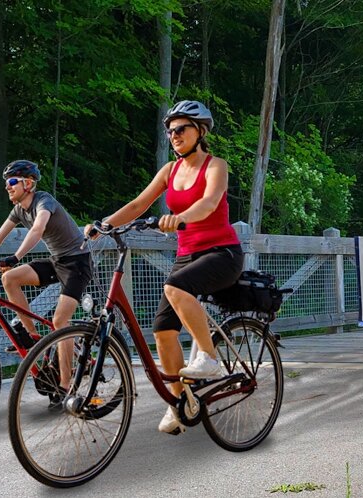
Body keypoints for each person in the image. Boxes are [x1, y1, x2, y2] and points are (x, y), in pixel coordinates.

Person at [86, 100, 244, 435]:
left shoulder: (216, 165)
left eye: (181, 129)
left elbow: (210, 202)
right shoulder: (170, 171)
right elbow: (138, 204)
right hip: (188, 255)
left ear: (200, 131)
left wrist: (180, 218)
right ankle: (180, 403)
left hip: (222, 253)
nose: (174, 136)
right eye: (170, 131)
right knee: (162, 330)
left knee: (175, 287)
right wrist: (103, 224)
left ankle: (209, 358)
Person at [0, 160, 92, 402]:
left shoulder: (43, 201)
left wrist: (16, 256)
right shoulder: (19, 209)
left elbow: (38, 229)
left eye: (11, 182)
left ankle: (65, 385)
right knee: (10, 278)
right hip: (57, 261)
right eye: (6, 183)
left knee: (60, 320)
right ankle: (31, 336)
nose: (7, 187)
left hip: (77, 263)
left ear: (28, 184)